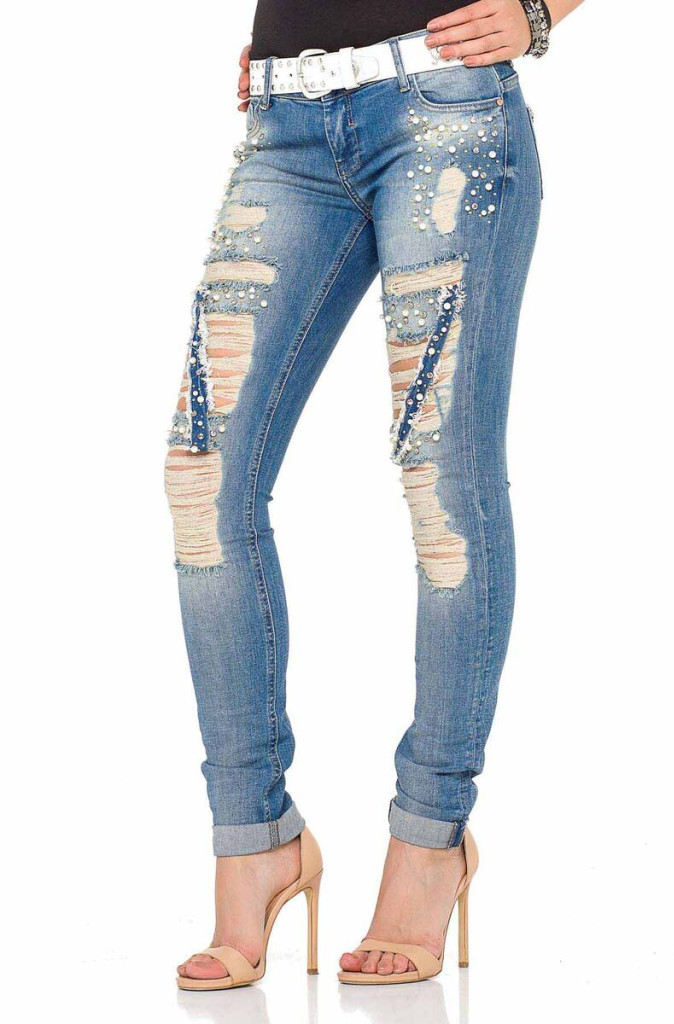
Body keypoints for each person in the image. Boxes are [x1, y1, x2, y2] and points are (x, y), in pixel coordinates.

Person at [169, 0, 584, 991]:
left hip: (444, 110)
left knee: (442, 484)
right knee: (201, 477)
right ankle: (255, 839)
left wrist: (538, 11)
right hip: (283, 122)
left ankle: (430, 837)